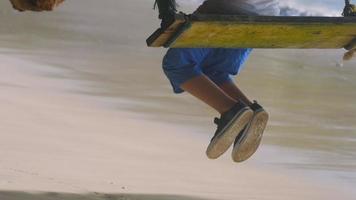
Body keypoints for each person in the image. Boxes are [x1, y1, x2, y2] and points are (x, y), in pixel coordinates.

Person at [154, 0, 280, 162]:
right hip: (266, 18)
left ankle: (230, 111)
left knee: (176, 64)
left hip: (228, 12)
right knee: (213, 70)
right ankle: (250, 111)